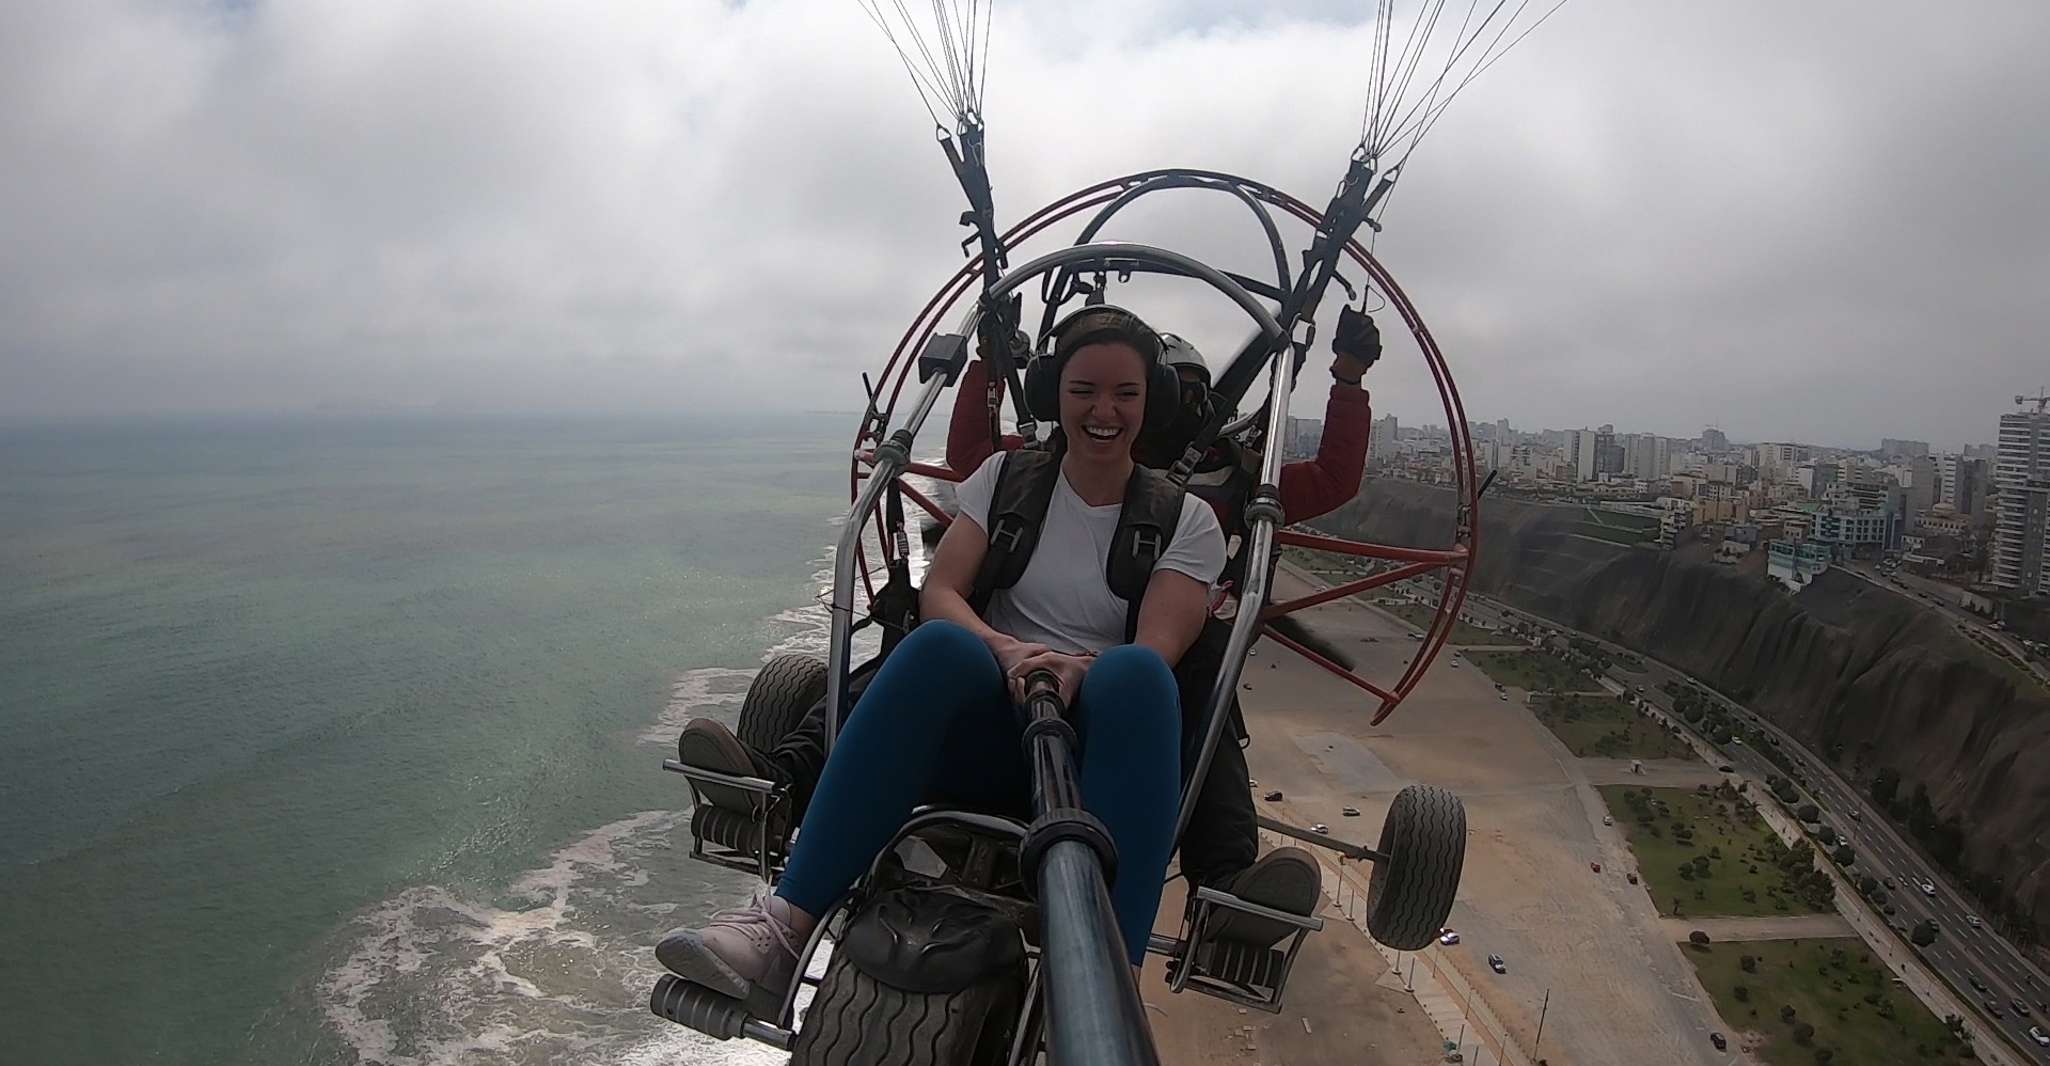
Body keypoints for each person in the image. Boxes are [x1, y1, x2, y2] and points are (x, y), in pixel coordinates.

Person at [675, 306, 1382, 955]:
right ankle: (784, 891)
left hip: (1108, 733)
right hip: (990, 712)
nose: (1106, 409)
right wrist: (987, 360)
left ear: (1159, 401)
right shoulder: (1015, 475)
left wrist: (1346, 383)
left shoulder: (1200, 506)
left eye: (1131, 394)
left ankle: (1181, 923)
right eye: (1084, 390)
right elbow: (957, 510)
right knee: (929, 642)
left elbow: (1316, 490)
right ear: (1056, 394)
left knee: (1173, 679)